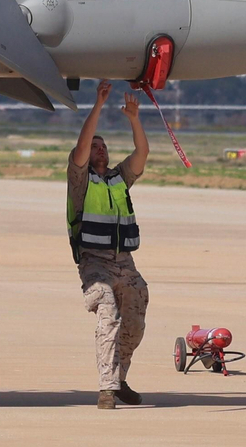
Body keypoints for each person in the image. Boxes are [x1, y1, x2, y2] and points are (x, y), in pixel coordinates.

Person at [67, 79, 151, 410]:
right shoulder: (80, 181)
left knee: (134, 321)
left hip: (124, 263)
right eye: (95, 146)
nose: (99, 149)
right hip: (95, 263)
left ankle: (120, 379)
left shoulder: (119, 178)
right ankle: (107, 389)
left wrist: (134, 119)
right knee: (108, 314)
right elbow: (81, 148)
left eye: (103, 146)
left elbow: (141, 154)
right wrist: (99, 105)